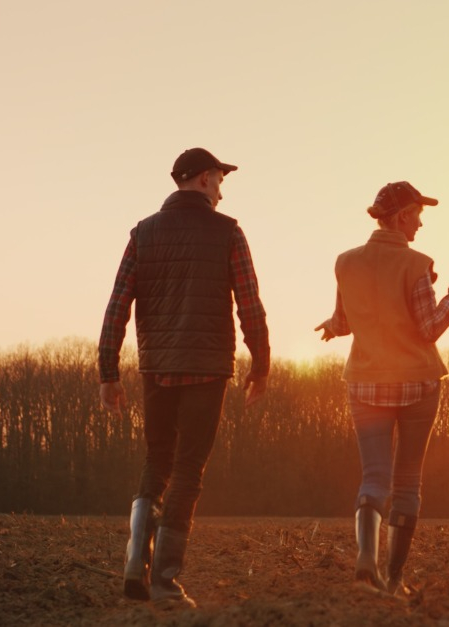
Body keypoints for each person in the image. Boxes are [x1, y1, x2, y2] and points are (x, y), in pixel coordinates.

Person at [98, 147, 270, 607]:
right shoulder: (228, 232)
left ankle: (137, 556)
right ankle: (165, 580)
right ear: (202, 180)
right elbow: (249, 303)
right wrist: (262, 362)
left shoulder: (143, 233)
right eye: (219, 179)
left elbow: (118, 304)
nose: (221, 189)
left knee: (157, 459)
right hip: (208, 366)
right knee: (189, 470)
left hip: (157, 366)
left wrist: (108, 372)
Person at [315, 181, 449, 595]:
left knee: (373, 478)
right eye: (418, 214)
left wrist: (332, 329)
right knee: (407, 483)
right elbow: (430, 327)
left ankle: (365, 558)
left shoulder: (345, 262)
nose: (421, 223)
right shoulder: (416, 264)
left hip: (365, 382)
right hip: (417, 383)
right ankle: (394, 579)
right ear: (403, 215)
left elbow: (345, 319)